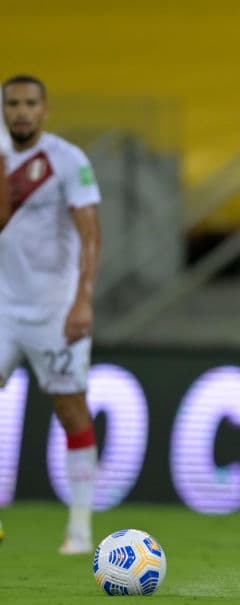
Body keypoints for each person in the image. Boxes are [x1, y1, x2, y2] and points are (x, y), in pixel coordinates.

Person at [0, 75, 102, 555]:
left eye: (29, 104)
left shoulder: (68, 161)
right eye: (13, 103)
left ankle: (80, 528)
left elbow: (90, 236)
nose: (21, 112)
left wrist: (82, 299)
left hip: (54, 309)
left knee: (70, 409)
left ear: (45, 109)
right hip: (2, 305)